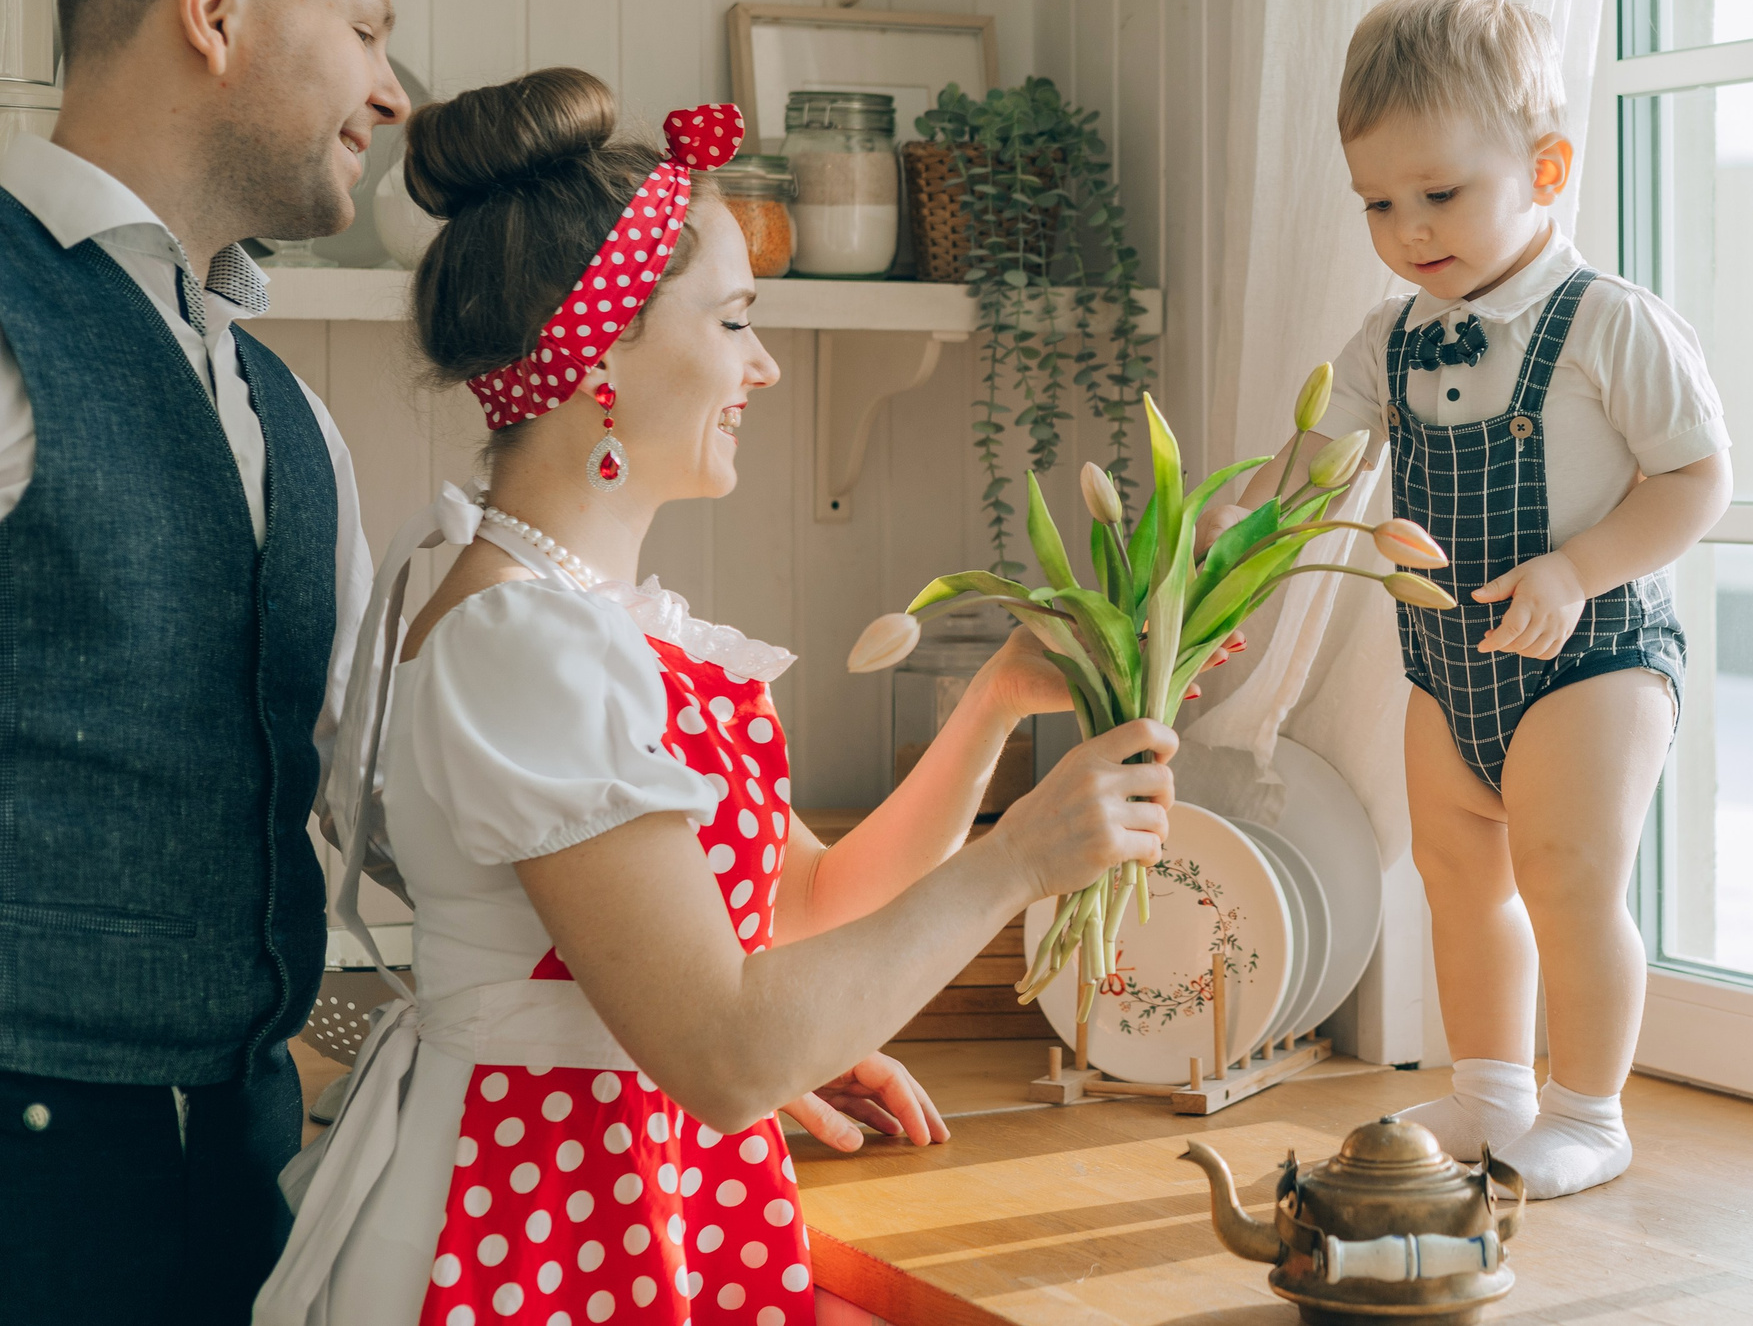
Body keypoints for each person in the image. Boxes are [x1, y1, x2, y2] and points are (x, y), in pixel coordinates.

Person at [257, 68, 1176, 1326]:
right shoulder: (524, 641)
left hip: (624, 1185)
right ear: (602, 354)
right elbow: (732, 1054)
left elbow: (803, 906)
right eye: (736, 318)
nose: (767, 367)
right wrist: (1020, 861)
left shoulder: (589, 621)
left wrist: (999, 705)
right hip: (534, 1218)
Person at [1203, 0, 1732, 1199]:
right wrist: (1243, 523)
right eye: (1378, 202)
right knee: (1457, 869)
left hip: (1589, 654)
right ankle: (1491, 1087)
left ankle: (1589, 1110)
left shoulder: (1608, 321)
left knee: (1567, 874)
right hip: (1448, 662)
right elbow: (1315, 463)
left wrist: (1577, 566)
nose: (1407, 228)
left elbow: (1698, 478)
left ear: (1544, 167)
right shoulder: (1389, 337)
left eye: (1439, 194)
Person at [0, 0, 403, 1321]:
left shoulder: (289, 417)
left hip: (227, 1172)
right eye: (364, 29)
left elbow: (394, 793)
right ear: (216, 10)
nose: (390, 90)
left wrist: (710, 1007)